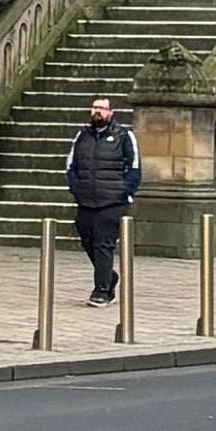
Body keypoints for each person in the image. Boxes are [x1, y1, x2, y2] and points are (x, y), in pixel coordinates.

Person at [66, 90, 140, 309]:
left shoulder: (124, 136)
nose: (97, 111)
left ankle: (101, 291)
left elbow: (134, 167)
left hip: (112, 202)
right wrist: (75, 188)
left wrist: (124, 192)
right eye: (95, 107)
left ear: (111, 112)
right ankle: (109, 277)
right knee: (87, 240)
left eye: (102, 108)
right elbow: (71, 165)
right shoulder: (82, 136)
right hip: (86, 199)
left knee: (103, 244)